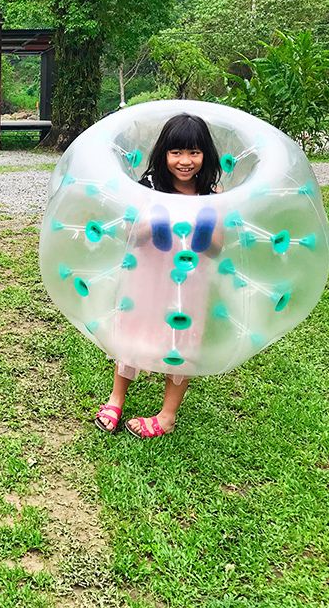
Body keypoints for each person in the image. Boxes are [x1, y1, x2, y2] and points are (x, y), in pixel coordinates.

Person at [95, 113, 222, 439]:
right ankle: (116, 398)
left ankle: (167, 416)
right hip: (148, 277)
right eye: (176, 152)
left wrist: (201, 228)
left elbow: (217, 248)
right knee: (133, 331)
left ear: (205, 154)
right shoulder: (149, 186)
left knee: (180, 341)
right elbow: (129, 232)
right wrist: (155, 225)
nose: (185, 161)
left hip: (188, 282)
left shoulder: (211, 193)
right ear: (163, 153)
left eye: (194, 152)